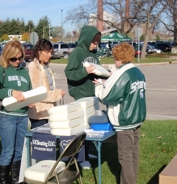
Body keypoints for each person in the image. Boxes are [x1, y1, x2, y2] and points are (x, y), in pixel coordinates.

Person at [93, 42, 146, 184]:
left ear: (118, 57)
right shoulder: (137, 72)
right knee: (134, 154)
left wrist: (98, 86)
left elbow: (106, 97)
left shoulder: (122, 74)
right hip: (137, 118)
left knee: (125, 157)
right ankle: (133, 180)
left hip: (125, 120)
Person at [0, 41, 33, 184]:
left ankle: (16, 180)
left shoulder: (24, 72)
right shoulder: (0, 70)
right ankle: (3, 181)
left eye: (20, 58)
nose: (17, 61)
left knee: (19, 151)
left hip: (22, 116)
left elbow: (28, 92)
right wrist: (11, 92)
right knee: (8, 152)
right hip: (6, 116)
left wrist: (30, 100)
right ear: (7, 56)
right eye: (13, 58)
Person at [64, 25, 104, 169]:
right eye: (94, 42)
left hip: (92, 93)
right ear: (87, 40)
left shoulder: (94, 54)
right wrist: (85, 71)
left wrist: (104, 75)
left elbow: (97, 70)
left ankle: (87, 152)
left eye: (98, 43)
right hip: (80, 94)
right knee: (82, 127)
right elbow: (70, 73)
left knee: (90, 126)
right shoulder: (77, 53)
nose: (96, 45)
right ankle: (80, 158)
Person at [28, 39, 66, 128]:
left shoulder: (45, 66)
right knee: (40, 140)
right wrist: (57, 94)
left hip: (48, 112)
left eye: (51, 52)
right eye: (47, 52)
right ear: (39, 51)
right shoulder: (34, 67)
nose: (50, 55)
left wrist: (57, 91)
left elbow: (49, 87)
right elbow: (38, 93)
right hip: (39, 114)